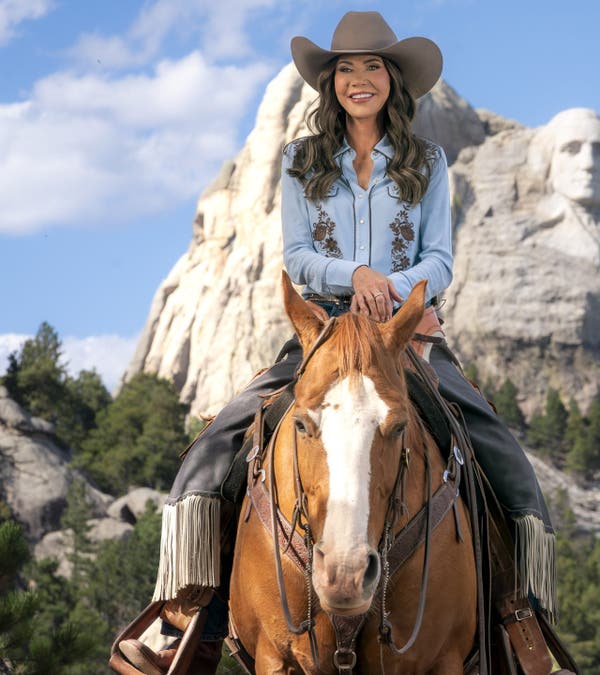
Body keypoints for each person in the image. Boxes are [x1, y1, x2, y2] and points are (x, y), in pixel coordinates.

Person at [115, 11, 563, 675]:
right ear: (330, 84)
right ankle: (192, 620)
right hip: (320, 332)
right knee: (216, 453)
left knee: (502, 462)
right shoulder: (304, 163)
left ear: (392, 80)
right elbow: (297, 256)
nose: (360, 78)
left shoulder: (428, 163)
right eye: (346, 68)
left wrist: (396, 290)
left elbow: (439, 259)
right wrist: (352, 276)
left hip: (407, 339)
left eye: (372, 66)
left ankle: (517, 626)